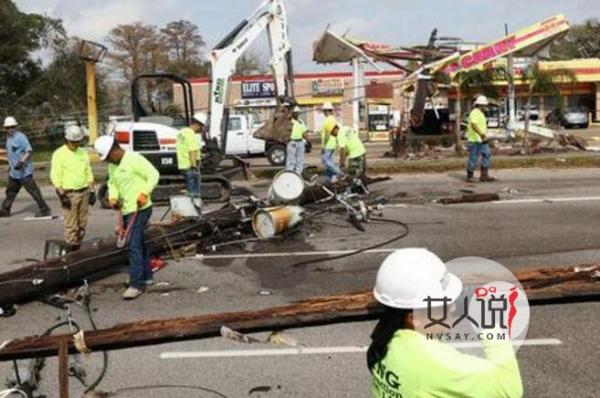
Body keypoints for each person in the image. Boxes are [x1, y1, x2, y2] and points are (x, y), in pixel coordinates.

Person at [368, 248, 523, 398]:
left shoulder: (386, 337)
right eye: (445, 305)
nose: (454, 307)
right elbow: (509, 388)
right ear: (413, 317)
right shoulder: (435, 362)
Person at [94, 135, 160, 300]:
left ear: (115, 149)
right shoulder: (113, 165)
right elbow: (113, 184)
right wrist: (113, 197)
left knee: (132, 244)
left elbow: (154, 175)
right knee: (138, 243)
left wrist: (145, 192)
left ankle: (136, 284)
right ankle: (146, 275)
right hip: (126, 210)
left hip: (141, 208)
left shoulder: (134, 159)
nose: (108, 160)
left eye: (109, 156)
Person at [50, 125, 95, 249]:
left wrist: (91, 190)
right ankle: (71, 249)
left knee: (82, 224)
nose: (74, 144)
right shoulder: (59, 154)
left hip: (84, 192)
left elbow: (88, 171)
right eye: (72, 142)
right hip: (69, 194)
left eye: (77, 142)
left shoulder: (83, 152)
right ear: (66, 140)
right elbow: (55, 175)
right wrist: (61, 194)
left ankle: (77, 245)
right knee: (71, 225)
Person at [0, 116, 51, 218]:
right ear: (5, 128)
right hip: (14, 173)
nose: (10, 129)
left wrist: (22, 161)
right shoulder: (9, 138)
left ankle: (44, 209)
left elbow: (29, 150)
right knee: (10, 192)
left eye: (12, 127)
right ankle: (5, 211)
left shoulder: (21, 137)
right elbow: (11, 153)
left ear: (16, 127)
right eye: (8, 127)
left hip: (24, 172)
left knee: (34, 192)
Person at [177, 112, 206, 208]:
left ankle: (190, 209)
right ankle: (194, 211)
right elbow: (192, 152)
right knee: (195, 192)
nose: (202, 129)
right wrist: (194, 167)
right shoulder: (191, 134)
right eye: (202, 127)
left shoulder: (182, 132)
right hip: (190, 166)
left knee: (190, 190)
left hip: (182, 165)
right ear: (199, 125)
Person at [466, 95, 496, 182]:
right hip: (474, 139)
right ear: (479, 105)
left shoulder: (480, 113)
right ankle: (470, 176)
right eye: (484, 105)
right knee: (473, 157)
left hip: (482, 139)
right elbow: (474, 125)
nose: (485, 106)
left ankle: (484, 175)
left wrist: (483, 136)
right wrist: (482, 134)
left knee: (486, 154)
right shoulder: (474, 112)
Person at [286, 106, 308, 174]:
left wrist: (308, 140)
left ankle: (298, 174)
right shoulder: (289, 121)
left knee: (300, 160)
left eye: (298, 113)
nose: (297, 114)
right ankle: (290, 174)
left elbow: (304, 132)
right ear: (292, 113)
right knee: (291, 160)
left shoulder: (300, 121)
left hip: (300, 142)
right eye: (295, 113)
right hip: (292, 142)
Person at [321, 117, 341, 183]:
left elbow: (326, 135)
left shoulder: (327, 121)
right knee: (330, 162)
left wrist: (323, 146)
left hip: (328, 145)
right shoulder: (333, 119)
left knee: (326, 161)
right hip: (333, 144)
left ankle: (339, 172)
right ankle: (331, 179)